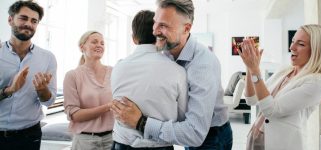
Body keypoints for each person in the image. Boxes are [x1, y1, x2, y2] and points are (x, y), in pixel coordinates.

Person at [112, 0, 233, 149]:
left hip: (211, 137)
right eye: (155, 23)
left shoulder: (203, 64)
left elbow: (194, 134)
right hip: (186, 131)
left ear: (186, 28)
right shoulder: (165, 50)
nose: (155, 31)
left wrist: (141, 122)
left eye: (163, 25)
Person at [240, 24, 321, 150]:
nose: (292, 47)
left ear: (317, 50)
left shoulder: (317, 82)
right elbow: (252, 99)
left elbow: (271, 110)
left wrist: (255, 70)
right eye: (293, 41)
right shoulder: (285, 70)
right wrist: (249, 66)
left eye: (300, 44)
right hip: (256, 139)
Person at [110, 10, 187, 150]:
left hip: (122, 145)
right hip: (160, 146)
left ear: (134, 38)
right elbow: (182, 119)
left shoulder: (118, 68)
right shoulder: (178, 71)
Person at [0, 1, 57, 150]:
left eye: (34, 21)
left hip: (29, 135)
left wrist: (42, 90)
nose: (28, 24)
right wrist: (9, 90)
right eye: (23, 18)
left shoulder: (47, 58)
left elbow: (49, 101)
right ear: (10, 19)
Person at [63, 31, 114, 150]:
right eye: (94, 42)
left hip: (113, 139)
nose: (99, 45)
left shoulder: (114, 72)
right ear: (82, 47)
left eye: (102, 43)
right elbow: (74, 115)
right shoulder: (72, 76)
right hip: (85, 142)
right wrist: (107, 107)